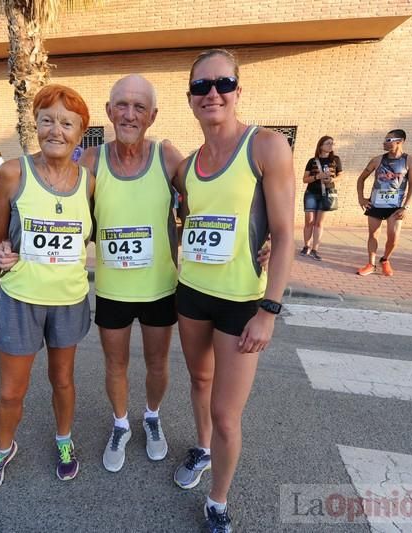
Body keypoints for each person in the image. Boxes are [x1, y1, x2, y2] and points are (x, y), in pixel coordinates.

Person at [173, 49, 294, 532]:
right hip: (191, 294)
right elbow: (186, 224)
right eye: (201, 86)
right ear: (191, 98)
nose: (212, 93)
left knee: (227, 414)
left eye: (222, 83)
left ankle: (218, 502)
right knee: (199, 384)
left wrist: (269, 309)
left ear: (238, 90)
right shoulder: (184, 166)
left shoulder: (266, 146)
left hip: (243, 302)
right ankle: (201, 451)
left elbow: (285, 235)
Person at [0, 84, 93, 496]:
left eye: (67, 123)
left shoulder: (89, 183)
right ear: (36, 125)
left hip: (68, 300)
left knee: (62, 381)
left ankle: (64, 440)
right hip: (20, 300)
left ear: (81, 132)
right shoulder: (13, 172)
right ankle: (2, 448)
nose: (55, 130)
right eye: (47, 120)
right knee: (11, 391)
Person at [79, 75, 184, 472]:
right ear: (108, 111)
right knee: (115, 364)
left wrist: (255, 237)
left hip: (159, 288)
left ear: (152, 115)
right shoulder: (91, 160)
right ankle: (121, 423)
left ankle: (152, 417)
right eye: (121, 105)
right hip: (112, 290)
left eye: (139, 107)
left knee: (158, 364)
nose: (129, 113)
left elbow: (207, 199)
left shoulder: (167, 158)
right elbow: (68, 213)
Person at [355, 129, 412, 277]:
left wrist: (406, 206)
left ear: (400, 141)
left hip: (395, 206)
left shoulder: (410, 161)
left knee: (393, 237)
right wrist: (361, 198)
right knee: (373, 234)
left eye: (388, 140)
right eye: (385, 139)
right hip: (376, 203)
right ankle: (371, 264)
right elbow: (361, 178)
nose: (384, 142)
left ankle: (385, 260)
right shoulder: (377, 160)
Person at [300, 136, 342, 261]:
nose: (331, 146)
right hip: (311, 193)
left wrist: (332, 179)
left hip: (326, 193)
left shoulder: (335, 160)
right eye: (328, 143)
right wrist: (318, 176)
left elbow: (341, 176)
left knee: (319, 222)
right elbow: (304, 179)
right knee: (309, 221)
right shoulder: (312, 161)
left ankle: (315, 249)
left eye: (332, 143)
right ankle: (306, 245)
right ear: (321, 146)